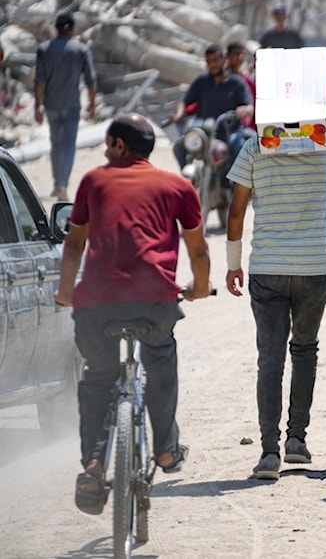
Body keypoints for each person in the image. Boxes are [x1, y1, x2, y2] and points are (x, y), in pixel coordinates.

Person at [54, 113, 212, 515]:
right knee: (160, 364)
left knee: (97, 379)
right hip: (154, 300)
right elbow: (198, 250)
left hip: (97, 303)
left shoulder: (93, 181)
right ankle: (164, 451)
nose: (106, 153)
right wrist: (197, 288)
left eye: (109, 145)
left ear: (120, 146)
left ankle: (93, 462)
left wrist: (65, 291)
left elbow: (74, 246)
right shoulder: (178, 185)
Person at [225, 60, 326, 479]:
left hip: (267, 267)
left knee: (269, 359)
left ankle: (269, 453)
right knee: (304, 351)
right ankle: (297, 441)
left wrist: (233, 265)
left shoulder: (254, 148)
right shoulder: (324, 147)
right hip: (312, 269)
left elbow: (235, 214)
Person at [34, 11, 97, 201]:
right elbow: (91, 80)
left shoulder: (44, 49)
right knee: (69, 144)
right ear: (71, 29)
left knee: (56, 143)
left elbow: (39, 80)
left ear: (57, 28)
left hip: (51, 104)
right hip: (72, 105)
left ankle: (56, 183)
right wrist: (92, 104)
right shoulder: (81, 49)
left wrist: (37, 106)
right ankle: (63, 184)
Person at [169, 44, 253, 168]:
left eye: (215, 60)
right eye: (209, 61)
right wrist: (178, 113)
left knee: (238, 146)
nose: (212, 64)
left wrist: (244, 109)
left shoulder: (237, 82)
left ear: (224, 59)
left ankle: (235, 183)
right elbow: (184, 101)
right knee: (180, 147)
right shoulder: (202, 80)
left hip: (228, 132)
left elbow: (249, 106)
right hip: (204, 132)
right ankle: (189, 181)